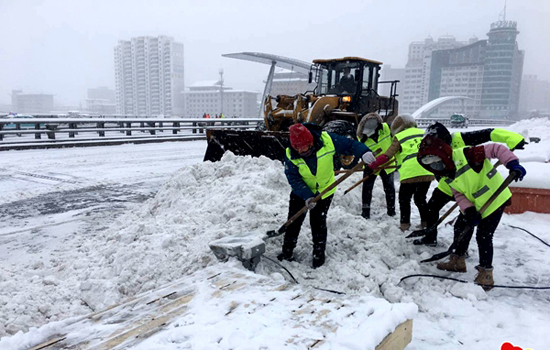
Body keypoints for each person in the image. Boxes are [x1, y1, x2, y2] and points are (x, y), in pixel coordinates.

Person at [417, 135, 526, 289]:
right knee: (460, 226)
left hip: (495, 200)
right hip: (475, 203)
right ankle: (457, 261)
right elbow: (459, 194)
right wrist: (468, 211)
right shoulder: (446, 173)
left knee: (484, 236)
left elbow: (496, 149)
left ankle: (486, 273)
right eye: (429, 163)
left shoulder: (468, 154)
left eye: (435, 160)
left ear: (442, 154)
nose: (435, 165)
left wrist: (512, 163)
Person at [411, 122, 527, 246]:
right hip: (449, 186)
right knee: (431, 208)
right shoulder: (429, 148)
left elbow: (489, 133)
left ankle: (460, 251)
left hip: (470, 189)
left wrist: (513, 138)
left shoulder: (461, 139)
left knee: (466, 220)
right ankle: (430, 237)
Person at [279, 123, 375, 268]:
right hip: (301, 192)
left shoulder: (327, 140)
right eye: (297, 148)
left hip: (324, 191)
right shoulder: (290, 154)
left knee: (318, 223)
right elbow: (293, 178)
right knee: (294, 221)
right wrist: (307, 195)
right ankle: (287, 252)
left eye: (303, 147)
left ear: (311, 142)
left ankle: (318, 256)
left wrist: (363, 151)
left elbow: (349, 145)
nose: (300, 151)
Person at [367, 114, 434, 231]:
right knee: (420, 198)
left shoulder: (400, 137)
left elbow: (387, 155)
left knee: (404, 199)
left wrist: (373, 165)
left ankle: (405, 224)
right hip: (427, 171)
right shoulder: (423, 133)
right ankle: (425, 222)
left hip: (410, 173)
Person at [357, 112, 397, 219]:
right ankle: (365, 212)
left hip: (388, 164)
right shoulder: (361, 137)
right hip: (371, 165)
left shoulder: (387, 128)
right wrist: (367, 163)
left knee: (389, 188)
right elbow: (361, 152)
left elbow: (396, 142)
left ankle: (391, 210)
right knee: (367, 188)